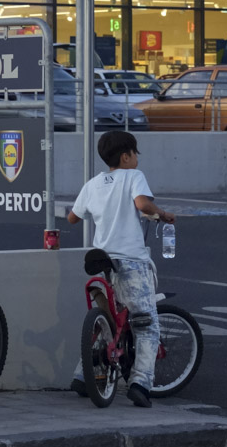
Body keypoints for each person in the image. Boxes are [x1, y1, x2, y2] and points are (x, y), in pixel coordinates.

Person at [66, 130, 175, 408]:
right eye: (136, 153)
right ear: (126, 156)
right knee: (146, 325)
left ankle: (82, 376)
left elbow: (72, 218)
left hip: (102, 263)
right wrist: (161, 213)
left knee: (108, 324)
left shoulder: (93, 183)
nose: (137, 158)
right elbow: (142, 204)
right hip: (130, 262)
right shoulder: (134, 177)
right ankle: (140, 383)